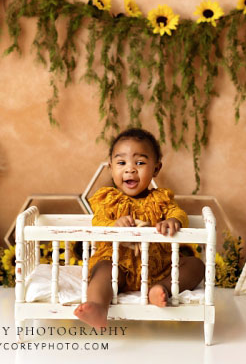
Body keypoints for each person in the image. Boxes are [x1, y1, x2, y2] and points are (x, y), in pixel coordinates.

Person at [74, 128, 203, 328]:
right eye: (121, 163)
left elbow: (178, 213)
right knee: (103, 270)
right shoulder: (108, 199)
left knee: (196, 265)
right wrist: (115, 225)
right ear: (111, 167)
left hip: (158, 267)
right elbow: (98, 222)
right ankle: (98, 306)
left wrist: (173, 221)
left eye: (140, 163)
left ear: (156, 169)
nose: (130, 169)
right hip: (118, 265)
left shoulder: (161, 199)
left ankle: (162, 289)